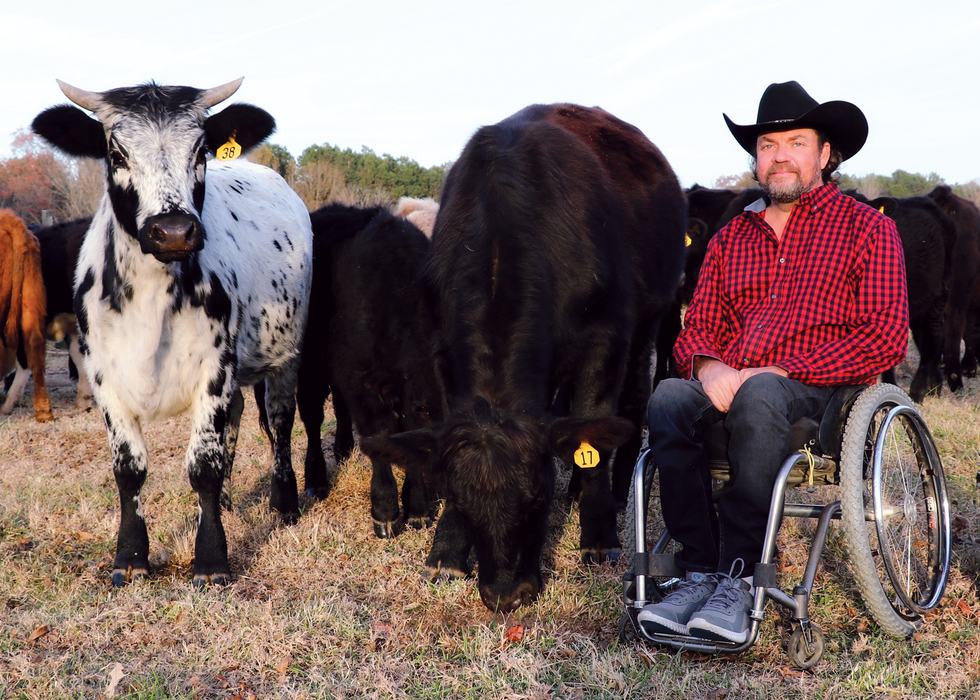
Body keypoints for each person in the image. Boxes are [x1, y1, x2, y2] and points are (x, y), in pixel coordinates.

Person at [637, 81, 909, 644]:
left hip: (821, 393)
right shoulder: (731, 237)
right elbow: (700, 327)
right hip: (731, 385)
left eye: (796, 141)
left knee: (762, 395)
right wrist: (709, 366)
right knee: (666, 397)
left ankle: (740, 578)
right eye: (767, 145)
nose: (779, 155)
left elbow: (884, 337)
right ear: (756, 157)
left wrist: (785, 372)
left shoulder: (868, 229)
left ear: (824, 154)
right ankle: (699, 567)